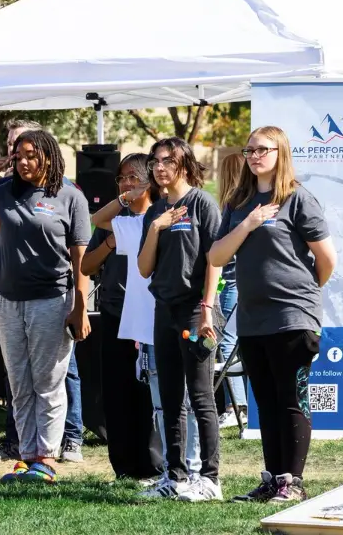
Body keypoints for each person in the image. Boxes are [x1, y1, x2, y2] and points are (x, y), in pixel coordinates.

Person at [210, 126, 337, 503]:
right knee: (265, 400)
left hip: (293, 315)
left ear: (280, 152)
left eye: (261, 150)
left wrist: (306, 292)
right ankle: (272, 479)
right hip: (252, 317)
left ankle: (291, 482)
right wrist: (248, 224)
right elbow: (217, 257)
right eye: (248, 150)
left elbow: (327, 259)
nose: (253, 156)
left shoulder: (298, 198)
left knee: (290, 398)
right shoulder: (237, 203)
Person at [0, 129, 91, 484]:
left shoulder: (70, 196)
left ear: (49, 155)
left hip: (52, 298)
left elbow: (82, 258)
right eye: (18, 156)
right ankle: (26, 455)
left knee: (48, 381)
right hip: (7, 300)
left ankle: (47, 459)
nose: (23, 162)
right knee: (19, 381)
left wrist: (80, 307)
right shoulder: (4, 192)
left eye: (31, 155)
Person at [137, 137, 222, 502]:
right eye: (155, 161)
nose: (159, 167)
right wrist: (156, 227)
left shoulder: (202, 203)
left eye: (167, 160)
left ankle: (211, 478)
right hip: (164, 309)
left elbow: (216, 259)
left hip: (194, 310)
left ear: (184, 163)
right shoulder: (155, 210)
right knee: (170, 397)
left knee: (201, 395)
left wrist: (207, 308)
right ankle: (175, 477)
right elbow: (144, 269)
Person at [82, 154, 164, 481]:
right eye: (121, 178)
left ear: (150, 181)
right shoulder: (114, 220)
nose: (126, 184)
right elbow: (87, 267)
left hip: (151, 316)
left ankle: (154, 464)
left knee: (148, 391)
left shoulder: (160, 217)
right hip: (115, 312)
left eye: (133, 178)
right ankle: (124, 467)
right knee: (116, 392)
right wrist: (110, 244)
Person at [216, 152, 248, 429]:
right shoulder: (246, 205)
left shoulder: (231, 206)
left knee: (227, 343)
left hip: (233, 281)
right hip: (241, 280)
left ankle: (236, 406)